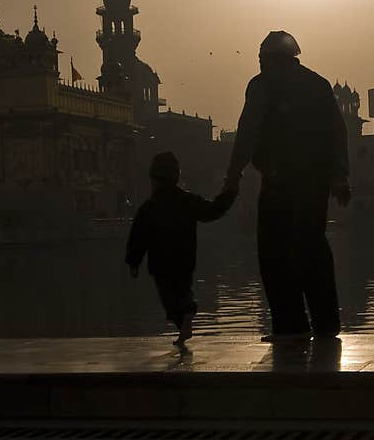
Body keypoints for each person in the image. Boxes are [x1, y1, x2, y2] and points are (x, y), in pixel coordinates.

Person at [224, 31, 351, 342]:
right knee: (313, 248)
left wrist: (233, 175)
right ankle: (326, 323)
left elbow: (247, 133)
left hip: (280, 182)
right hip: (315, 183)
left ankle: (291, 325)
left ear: (269, 59)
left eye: (261, 58)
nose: (259, 63)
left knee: (274, 252)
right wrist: (340, 176)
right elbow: (338, 132)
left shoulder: (263, 85)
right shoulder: (317, 84)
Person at [126, 152, 236, 349]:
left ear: (153, 180)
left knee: (169, 299)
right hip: (184, 259)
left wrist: (133, 262)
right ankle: (186, 317)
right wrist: (229, 193)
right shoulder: (188, 201)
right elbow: (213, 211)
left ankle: (183, 321)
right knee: (183, 290)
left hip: (160, 263)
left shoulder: (149, 207)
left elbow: (138, 237)